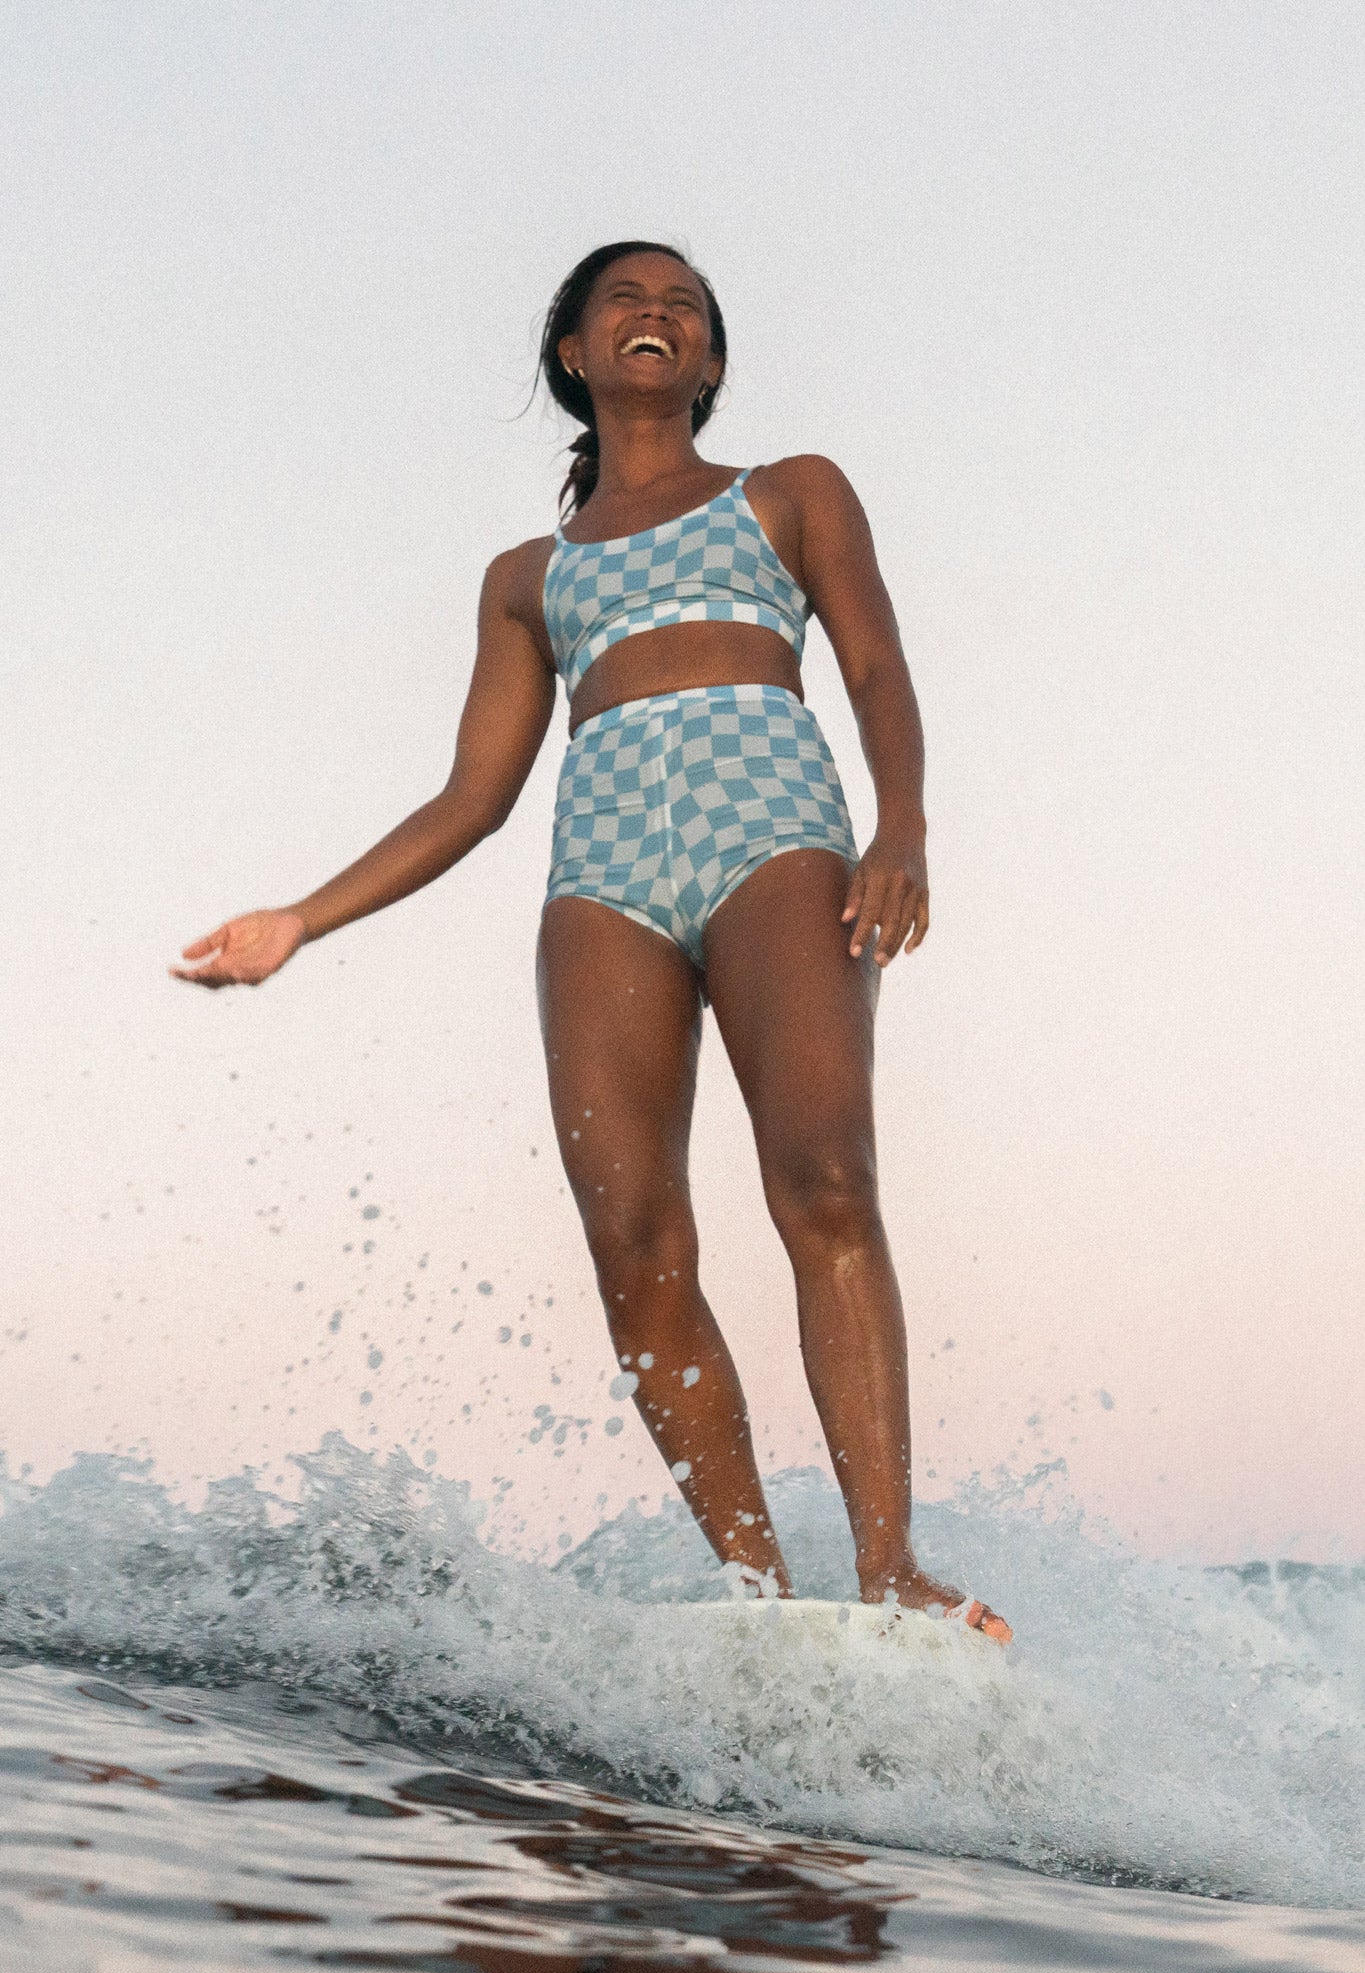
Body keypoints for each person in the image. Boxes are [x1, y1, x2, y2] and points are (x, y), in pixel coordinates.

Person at [174, 239, 1010, 1642]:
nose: (656, 314)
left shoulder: (788, 493)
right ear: (572, 353)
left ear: (711, 364)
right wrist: (299, 922)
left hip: (776, 836)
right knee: (631, 1242)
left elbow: (873, 664)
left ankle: (891, 1572)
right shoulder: (526, 575)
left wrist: (902, 827)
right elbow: (471, 798)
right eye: (625, 298)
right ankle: (757, 1595)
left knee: (822, 1181)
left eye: (683, 304)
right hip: (601, 871)